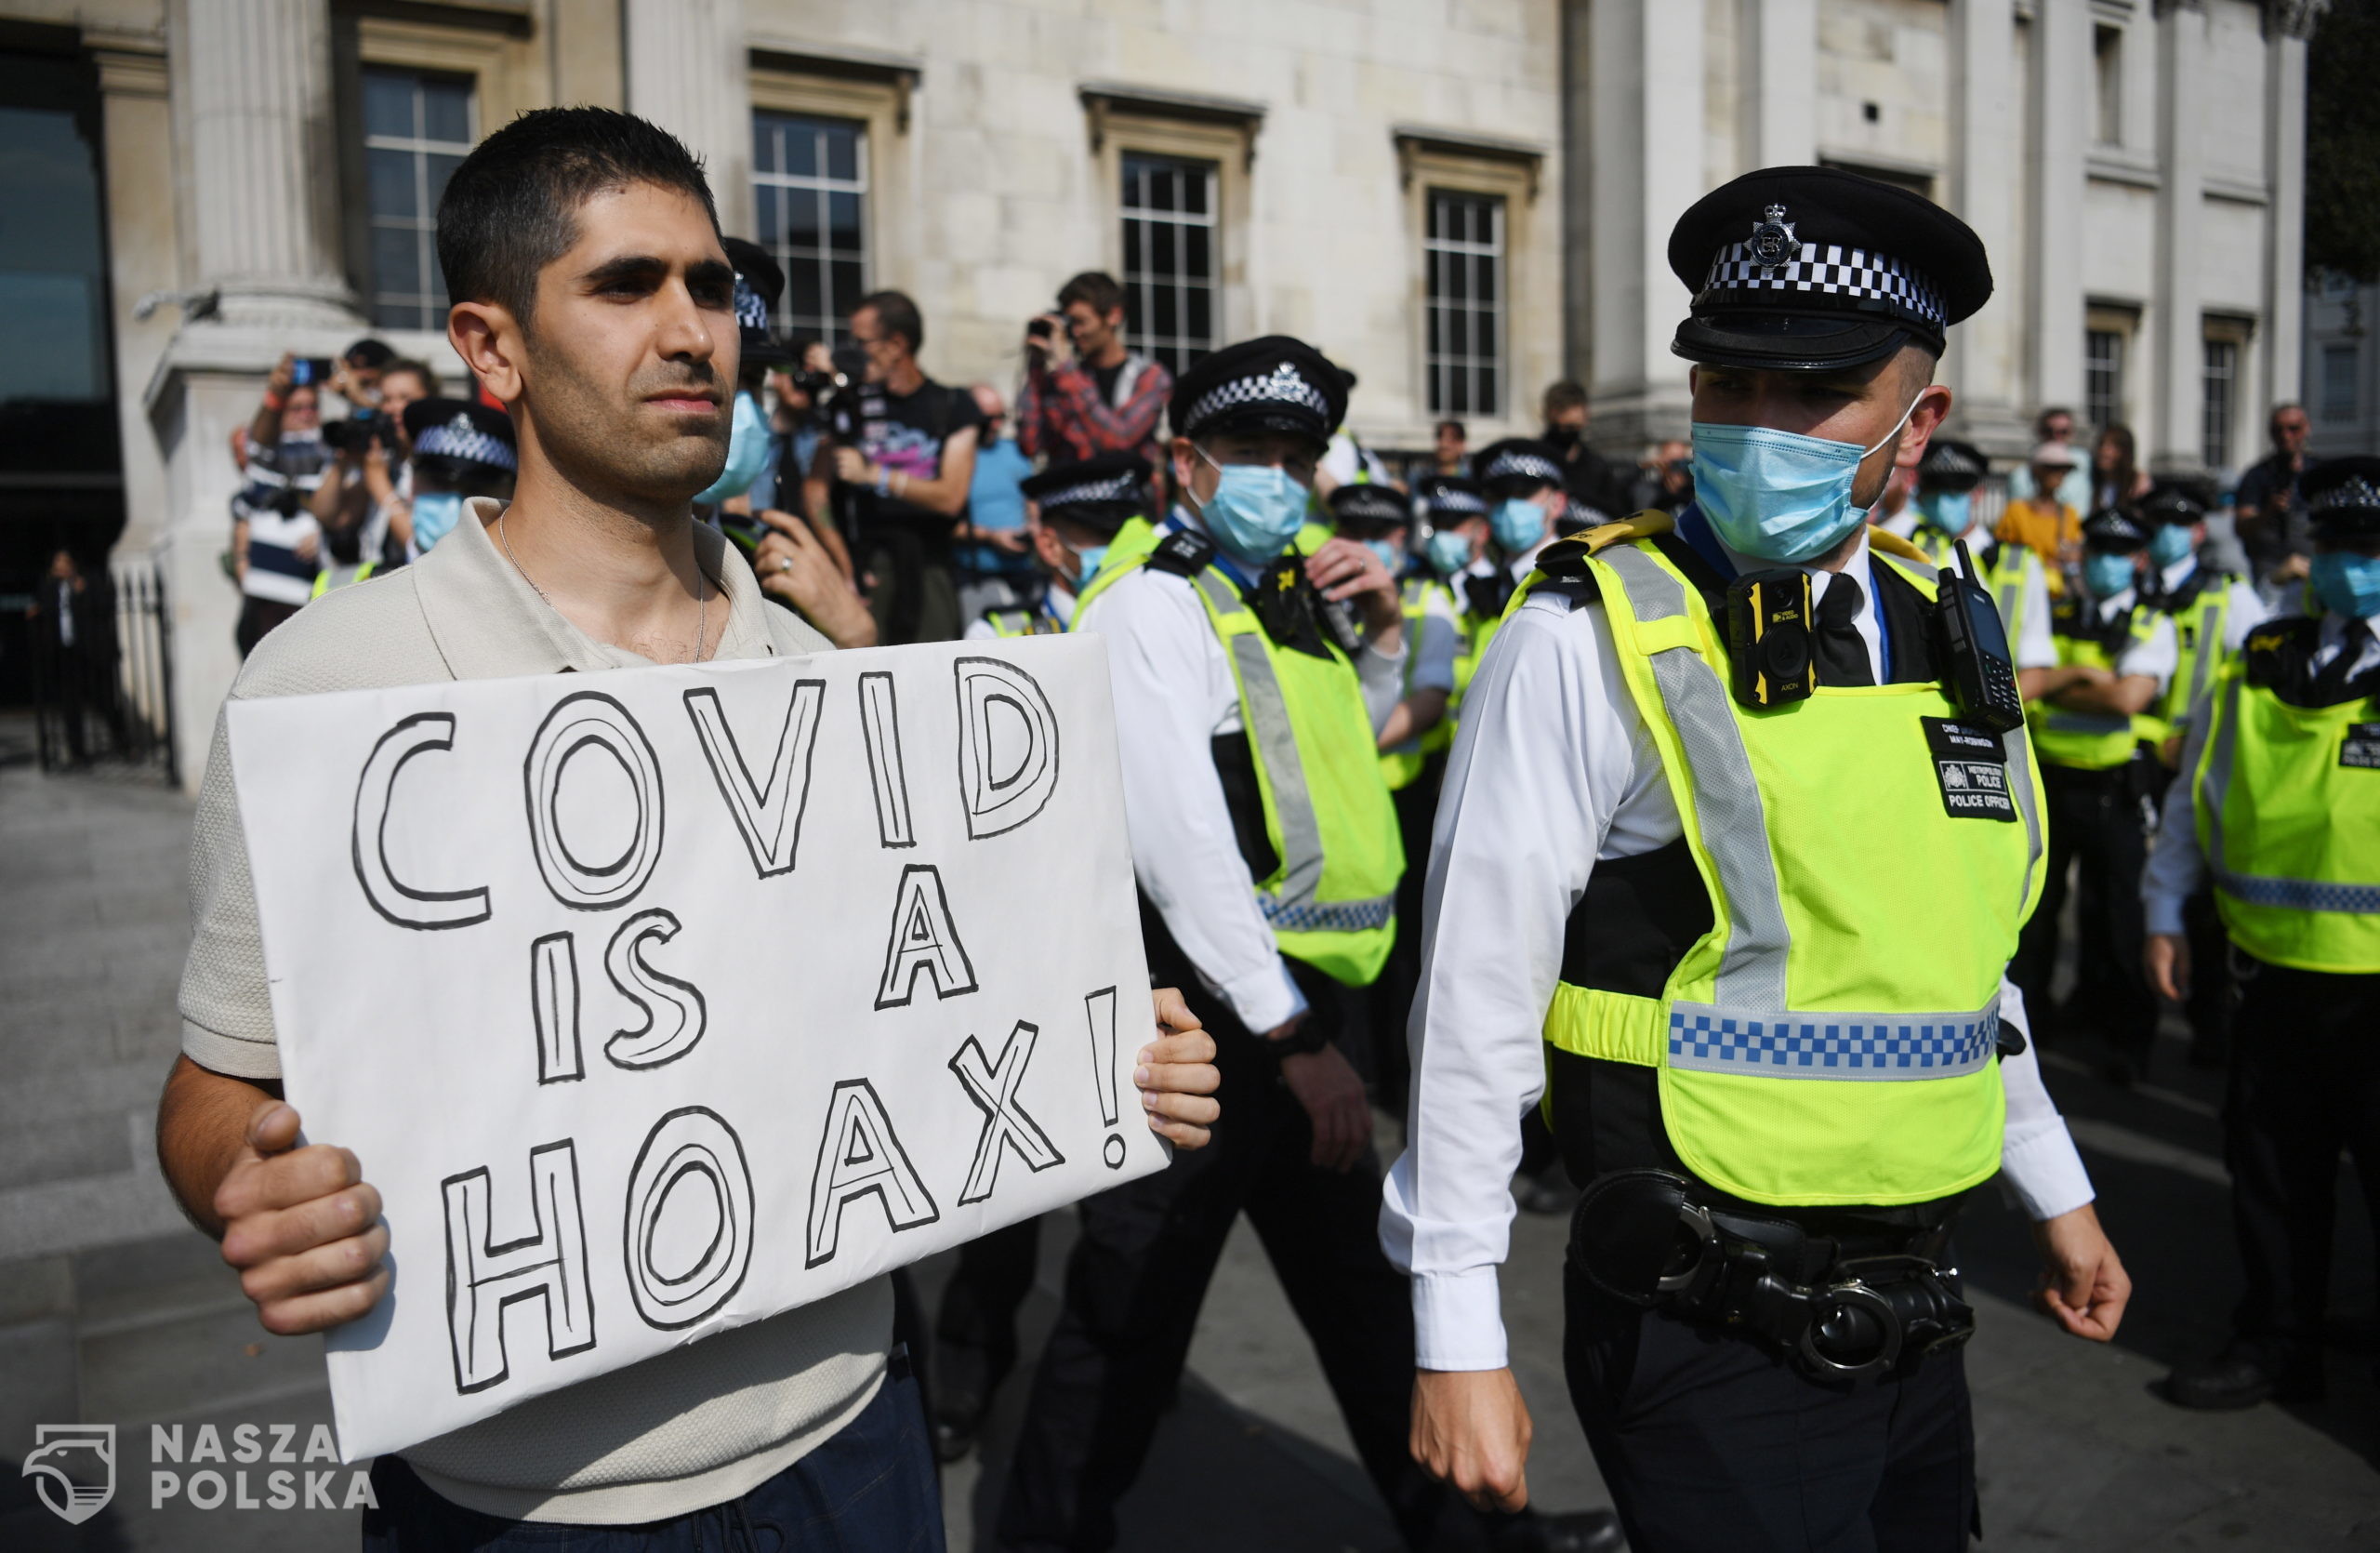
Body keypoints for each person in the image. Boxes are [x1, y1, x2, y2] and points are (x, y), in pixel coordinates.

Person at [152, 106, 1222, 1553]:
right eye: (624, 285)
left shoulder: (828, 683)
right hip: (526, 1501)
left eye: (711, 287)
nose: (693, 331)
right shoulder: (330, 693)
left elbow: (918, 1009)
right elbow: (214, 1090)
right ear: (491, 345)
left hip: (857, 1434)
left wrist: (1105, 1049)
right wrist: (257, 1189)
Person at [1386, 166, 2127, 1553]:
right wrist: (1455, 1325)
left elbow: (1964, 963)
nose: (1758, 430)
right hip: (1707, 1316)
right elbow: (1474, 1000)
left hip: (1917, 1300)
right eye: (1729, 389)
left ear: (1917, 426)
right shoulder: (1586, 632)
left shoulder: (1946, 629)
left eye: (1815, 396)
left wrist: (2061, 1188)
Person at [996, 337, 1616, 1553]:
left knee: (1369, 1309)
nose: (1279, 477)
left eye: (1297, 457)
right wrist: (1295, 1039)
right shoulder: (1151, 607)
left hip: (1299, 1017)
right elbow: (1184, 852)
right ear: (1186, 463)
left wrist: (1383, 625)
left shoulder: (1287, 600)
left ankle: (1481, 1537)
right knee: (1124, 1325)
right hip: (1215, 1030)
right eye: (1249, 455)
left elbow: (1363, 753)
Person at [2144, 456, 2380, 1410]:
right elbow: (2194, 797)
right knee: (2272, 1174)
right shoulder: (2260, 663)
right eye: (2336, 548)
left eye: (2369, 551)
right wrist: (2165, 912)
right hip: (2270, 978)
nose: (2351, 568)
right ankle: (2278, 1337)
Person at [2008, 508, 2177, 1083]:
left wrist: (2057, 685)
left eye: (2116, 551)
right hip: (2049, 782)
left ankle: (2127, 1044)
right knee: (2036, 915)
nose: (2103, 562)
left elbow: (2126, 698)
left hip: (2115, 791)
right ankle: (2033, 1028)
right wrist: (2083, 680)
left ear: (2136, 560)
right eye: (2096, 549)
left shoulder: (2151, 621)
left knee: (2118, 919)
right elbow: (2020, 684)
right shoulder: (2055, 613)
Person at [2135, 478, 2268, 1069]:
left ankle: (2210, 1024)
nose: (2163, 534)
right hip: (2142, 763)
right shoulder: (2136, 584)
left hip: (2202, 761)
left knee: (2206, 897)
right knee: (2139, 889)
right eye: (2155, 522)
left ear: (2195, 532)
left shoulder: (2228, 595)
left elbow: (2254, 672)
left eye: (2176, 524)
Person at [804, 290, 982, 644]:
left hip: (928, 571)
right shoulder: (850, 403)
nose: (851, 351)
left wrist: (876, 475)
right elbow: (815, 489)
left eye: (861, 341)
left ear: (897, 344)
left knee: (931, 685)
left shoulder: (953, 404)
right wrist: (843, 566)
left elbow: (951, 497)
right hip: (868, 571)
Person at [1905, 437, 2058, 701]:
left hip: (1997, 709)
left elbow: (2035, 663)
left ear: (1977, 493)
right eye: (1936, 490)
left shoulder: (2020, 562)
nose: (1944, 501)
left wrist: (1995, 708)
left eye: (1955, 492)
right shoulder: (1904, 551)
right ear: (1920, 493)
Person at [1017, 269, 1173, 480]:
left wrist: (1066, 369)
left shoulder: (1149, 376)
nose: (1075, 332)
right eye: (1070, 324)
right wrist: (1036, 367)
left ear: (1114, 316)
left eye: (1081, 322)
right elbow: (1030, 445)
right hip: (1068, 503)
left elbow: (1119, 440)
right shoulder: (1064, 379)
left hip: (1125, 504)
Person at [231, 361, 331, 655]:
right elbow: (258, 447)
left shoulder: (330, 451)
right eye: (296, 408)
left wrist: (322, 534)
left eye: (312, 407)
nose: (306, 415)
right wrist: (275, 393)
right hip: (263, 597)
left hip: (311, 597)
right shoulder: (268, 457)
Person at [26, 547, 120, 765]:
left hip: (90, 651)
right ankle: (77, 750)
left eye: (66, 562)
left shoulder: (88, 582)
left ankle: (121, 739)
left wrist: (82, 593)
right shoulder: (49, 587)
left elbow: (103, 609)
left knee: (103, 698)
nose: (62, 567)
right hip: (65, 653)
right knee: (70, 705)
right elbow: (43, 611)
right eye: (58, 563)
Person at [958, 382, 1041, 619]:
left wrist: (1034, 524)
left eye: (1001, 417)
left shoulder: (1014, 451)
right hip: (977, 576)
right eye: (988, 418)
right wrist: (991, 537)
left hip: (1024, 571)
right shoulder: (956, 457)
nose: (996, 425)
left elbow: (1031, 497)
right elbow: (944, 525)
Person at [2236, 402, 2319, 591]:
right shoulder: (2257, 475)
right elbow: (2241, 527)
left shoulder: (2319, 472)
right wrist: (2268, 512)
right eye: (2278, 430)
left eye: (2293, 429)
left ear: (2306, 428)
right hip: (2272, 572)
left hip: (2312, 570)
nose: (2285, 436)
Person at [1994, 440, 2083, 581]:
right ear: (2037, 471)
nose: (2059, 474)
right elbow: (2001, 553)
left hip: (2058, 595)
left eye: (2064, 470)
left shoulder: (2069, 513)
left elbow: (2076, 553)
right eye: (2053, 468)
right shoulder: (2016, 511)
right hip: (2024, 586)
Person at [1539, 380, 1628, 521]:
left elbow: (1614, 512)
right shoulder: (1536, 460)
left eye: (1574, 427)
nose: (1569, 434)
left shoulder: (1596, 467)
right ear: (1550, 416)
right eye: (1565, 427)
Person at [2003, 407, 2094, 512]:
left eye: (2063, 431)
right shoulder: (2020, 474)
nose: (2056, 436)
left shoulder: (2085, 461)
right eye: (2049, 431)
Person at [2090, 424, 2152, 517]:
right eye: (2102, 444)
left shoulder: (2136, 484)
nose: (2104, 451)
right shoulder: (2091, 479)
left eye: (2112, 446)